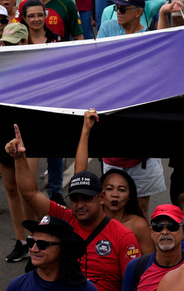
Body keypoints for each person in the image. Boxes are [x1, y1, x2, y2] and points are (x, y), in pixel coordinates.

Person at [7, 124, 141, 291]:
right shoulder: (64, 219)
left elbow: (135, 284)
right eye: (74, 199)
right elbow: (30, 193)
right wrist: (19, 159)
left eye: (86, 198)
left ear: (101, 198)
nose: (80, 205)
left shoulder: (123, 237)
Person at [6, 215, 96, 291]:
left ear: (63, 248)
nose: (34, 249)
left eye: (42, 244)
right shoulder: (17, 286)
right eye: (31, 242)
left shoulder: (85, 289)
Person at [121, 205, 184, 291]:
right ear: (151, 232)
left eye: (172, 226)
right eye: (158, 227)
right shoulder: (135, 267)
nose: (164, 232)